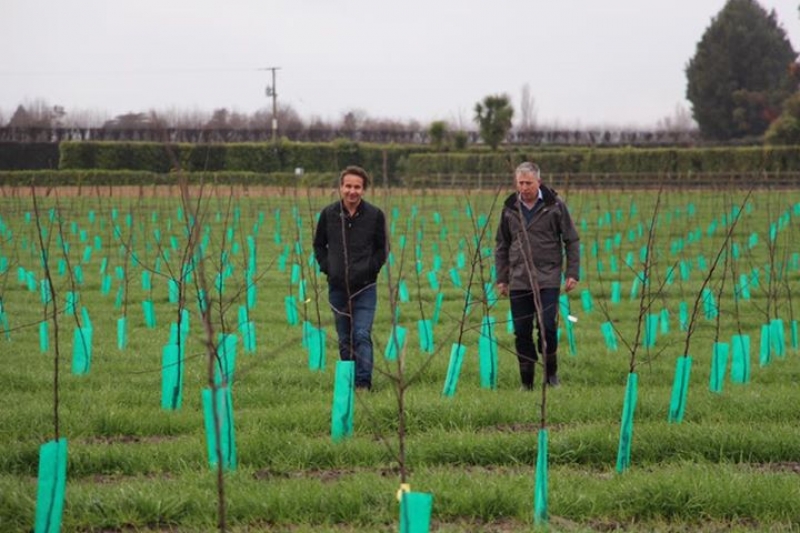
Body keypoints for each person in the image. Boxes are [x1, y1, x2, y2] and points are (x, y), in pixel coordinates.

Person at [494, 162, 580, 389]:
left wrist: (572, 273)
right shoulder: (509, 209)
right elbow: (502, 245)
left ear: (538, 182)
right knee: (521, 332)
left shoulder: (556, 207)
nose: (523, 187)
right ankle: (527, 383)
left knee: (547, 326)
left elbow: (571, 240)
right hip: (519, 278)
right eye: (520, 183)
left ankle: (551, 374)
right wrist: (501, 278)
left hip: (548, 277)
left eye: (528, 183)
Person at [313, 165, 388, 391]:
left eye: (357, 187)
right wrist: (328, 267)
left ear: (363, 190)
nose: (352, 191)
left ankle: (363, 383)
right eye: (348, 186)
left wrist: (370, 269)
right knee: (344, 337)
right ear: (341, 187)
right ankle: (348, 379)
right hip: (337, 287)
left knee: (362, 334)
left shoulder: (375, 215)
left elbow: (382, 248)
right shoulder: (329, 214)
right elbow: (319, 245)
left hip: (365, 287)